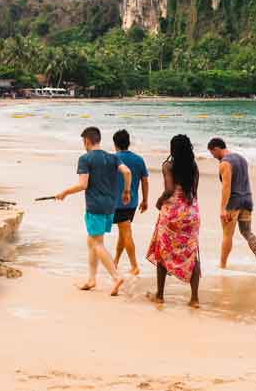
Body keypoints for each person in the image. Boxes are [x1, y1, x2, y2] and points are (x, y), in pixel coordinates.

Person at [54, 126, 132, 296]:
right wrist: (126, 191)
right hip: (111, 206)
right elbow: (127, 171)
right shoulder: (113, 157)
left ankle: (115, 276)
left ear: (87, 141)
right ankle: (91, 279)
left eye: (83, 142)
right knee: (92, 242)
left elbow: (83, 185)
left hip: (95, 206)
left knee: (97, 243)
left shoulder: (85, 159)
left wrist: (64, 193)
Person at [146, 134, 202, 308]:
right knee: (192, 253)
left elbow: (169, 189)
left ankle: (160, 295)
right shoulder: (194, 167)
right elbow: (194, 191)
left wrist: (158, 201)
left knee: (162, 250)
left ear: (173, 149)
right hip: (191, 213)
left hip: (172, 213)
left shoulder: (168, 165)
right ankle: (194, 299)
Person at [207, 137, 256, 272]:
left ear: (216, 149)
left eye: (212, 153)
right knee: (247, 232)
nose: (213, 156)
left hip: (233, 202)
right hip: (247, 199)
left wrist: (222, 208)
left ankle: (222, 265)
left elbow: (226, 187)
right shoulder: (242, 158)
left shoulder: (225, 163)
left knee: (227, 235)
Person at [111, 129, 150, 276]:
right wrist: (145, 200)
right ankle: (115, 261)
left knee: (126, 232)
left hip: (117, 202)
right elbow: (145, 181)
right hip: (133, 202)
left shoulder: (112, 159)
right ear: (128, 143)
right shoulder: (139, 159)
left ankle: (134, 266)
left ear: (115, 144)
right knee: (123, 231)